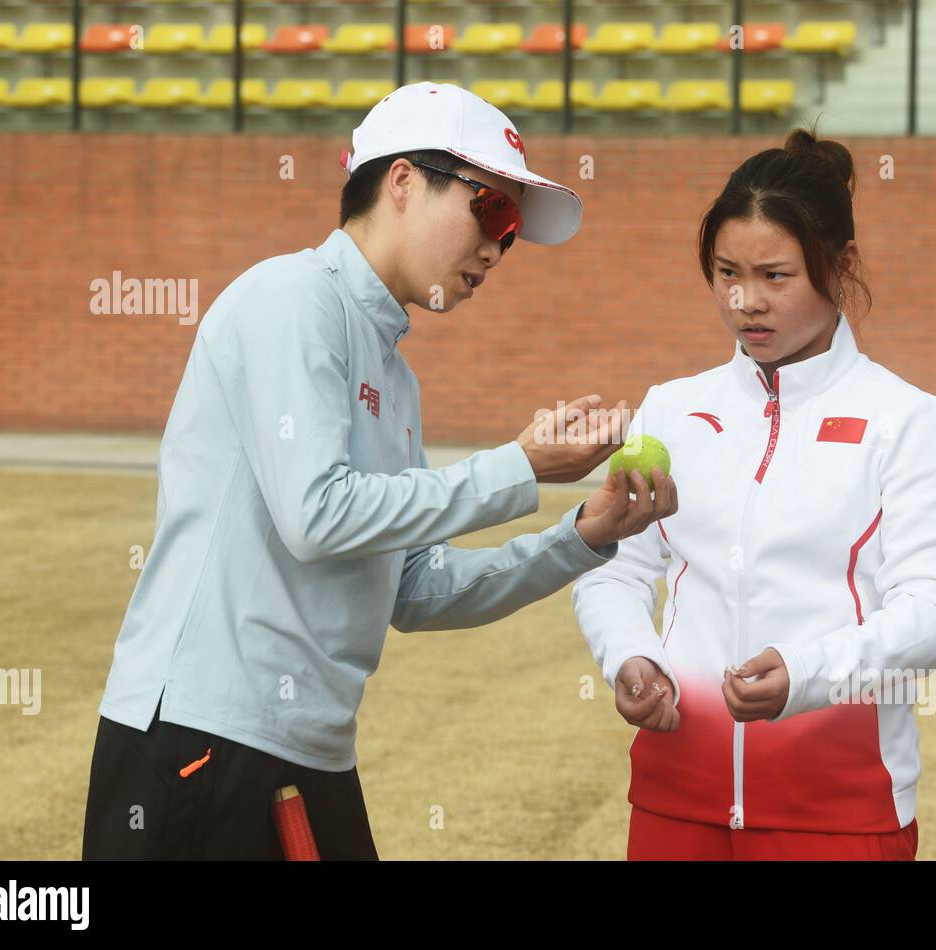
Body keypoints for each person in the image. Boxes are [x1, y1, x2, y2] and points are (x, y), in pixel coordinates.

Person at [81, 81, 678, 860]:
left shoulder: (395, 378)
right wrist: (520, 465)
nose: (500, 248)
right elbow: (316, 515)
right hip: (201, 742)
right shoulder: (293, 299)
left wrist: (580, 537)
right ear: (401, 181)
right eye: (492, 211)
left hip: (308, 750)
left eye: (514, 232)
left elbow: (414, 590)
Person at [572, 126, 936, 861]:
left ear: (841, 264)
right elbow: (619, 565)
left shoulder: (909, 421)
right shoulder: (668, 407)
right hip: (673, 798)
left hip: (838, 808)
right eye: (727, 272)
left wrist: (807, 675)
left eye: (775, 276)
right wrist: (631, 655)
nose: (745, 302)